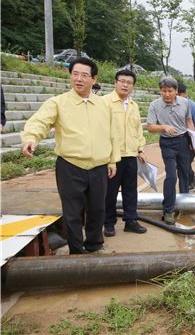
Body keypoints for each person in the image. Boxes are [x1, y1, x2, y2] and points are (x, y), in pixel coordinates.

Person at [21, 57, 120, 254]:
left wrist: (112, 161)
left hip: (99, 167)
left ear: (93, 79)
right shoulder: (58, 103)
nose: (79, 79)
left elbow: (112, 134)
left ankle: (94, 245)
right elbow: (40, 122)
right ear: (70, 76)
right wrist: (31, 138)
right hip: (70, 165)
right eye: (75, 74)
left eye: (84, 75)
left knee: (97, 209)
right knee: (72, 212)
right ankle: (76, 249)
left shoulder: (103, 105)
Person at [103, 69, 147, 237]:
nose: (125, 85)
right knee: (110, 192)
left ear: (133, 87)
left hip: (130, 155)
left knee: (131, 190)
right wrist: (109, 159)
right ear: (115, 82)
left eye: (129, 83)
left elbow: (138, 129)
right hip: (112, 157)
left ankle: (131, 221)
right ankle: (108, 223)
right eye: (122, 81)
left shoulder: (133, 105)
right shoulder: (105, 102)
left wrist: (140, 149)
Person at [146, 77, 194, 225]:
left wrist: (193, 140)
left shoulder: (185, 103)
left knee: (184, 173)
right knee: (172, 176)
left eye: (170, 91)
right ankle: (168, 210)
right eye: (163, 91)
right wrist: (164, 127)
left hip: (183, 141)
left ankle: (185, 205)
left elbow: (189, 121)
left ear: (176, 91)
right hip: (167, 143)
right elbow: (150, 127)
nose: (166, 94)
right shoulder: (154, 105)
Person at [177, 81, 195, 190]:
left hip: (190, 139)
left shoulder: (192, 105)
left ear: (185, 94)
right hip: (178, 140)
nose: (177, 97)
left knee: (185, 164)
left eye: (179, 95)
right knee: (181, 165)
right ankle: (192, 179)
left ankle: (186, 186)